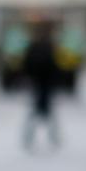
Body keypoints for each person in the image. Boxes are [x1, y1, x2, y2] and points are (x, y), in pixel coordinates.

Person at [23, 20, 62, 150]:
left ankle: (47, 138)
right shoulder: (48, 47)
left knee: (40, 112)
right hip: (42, 84)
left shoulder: (39, 46)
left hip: (41, 84)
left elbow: (27, 64)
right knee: (42, 112)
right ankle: (50, 138)